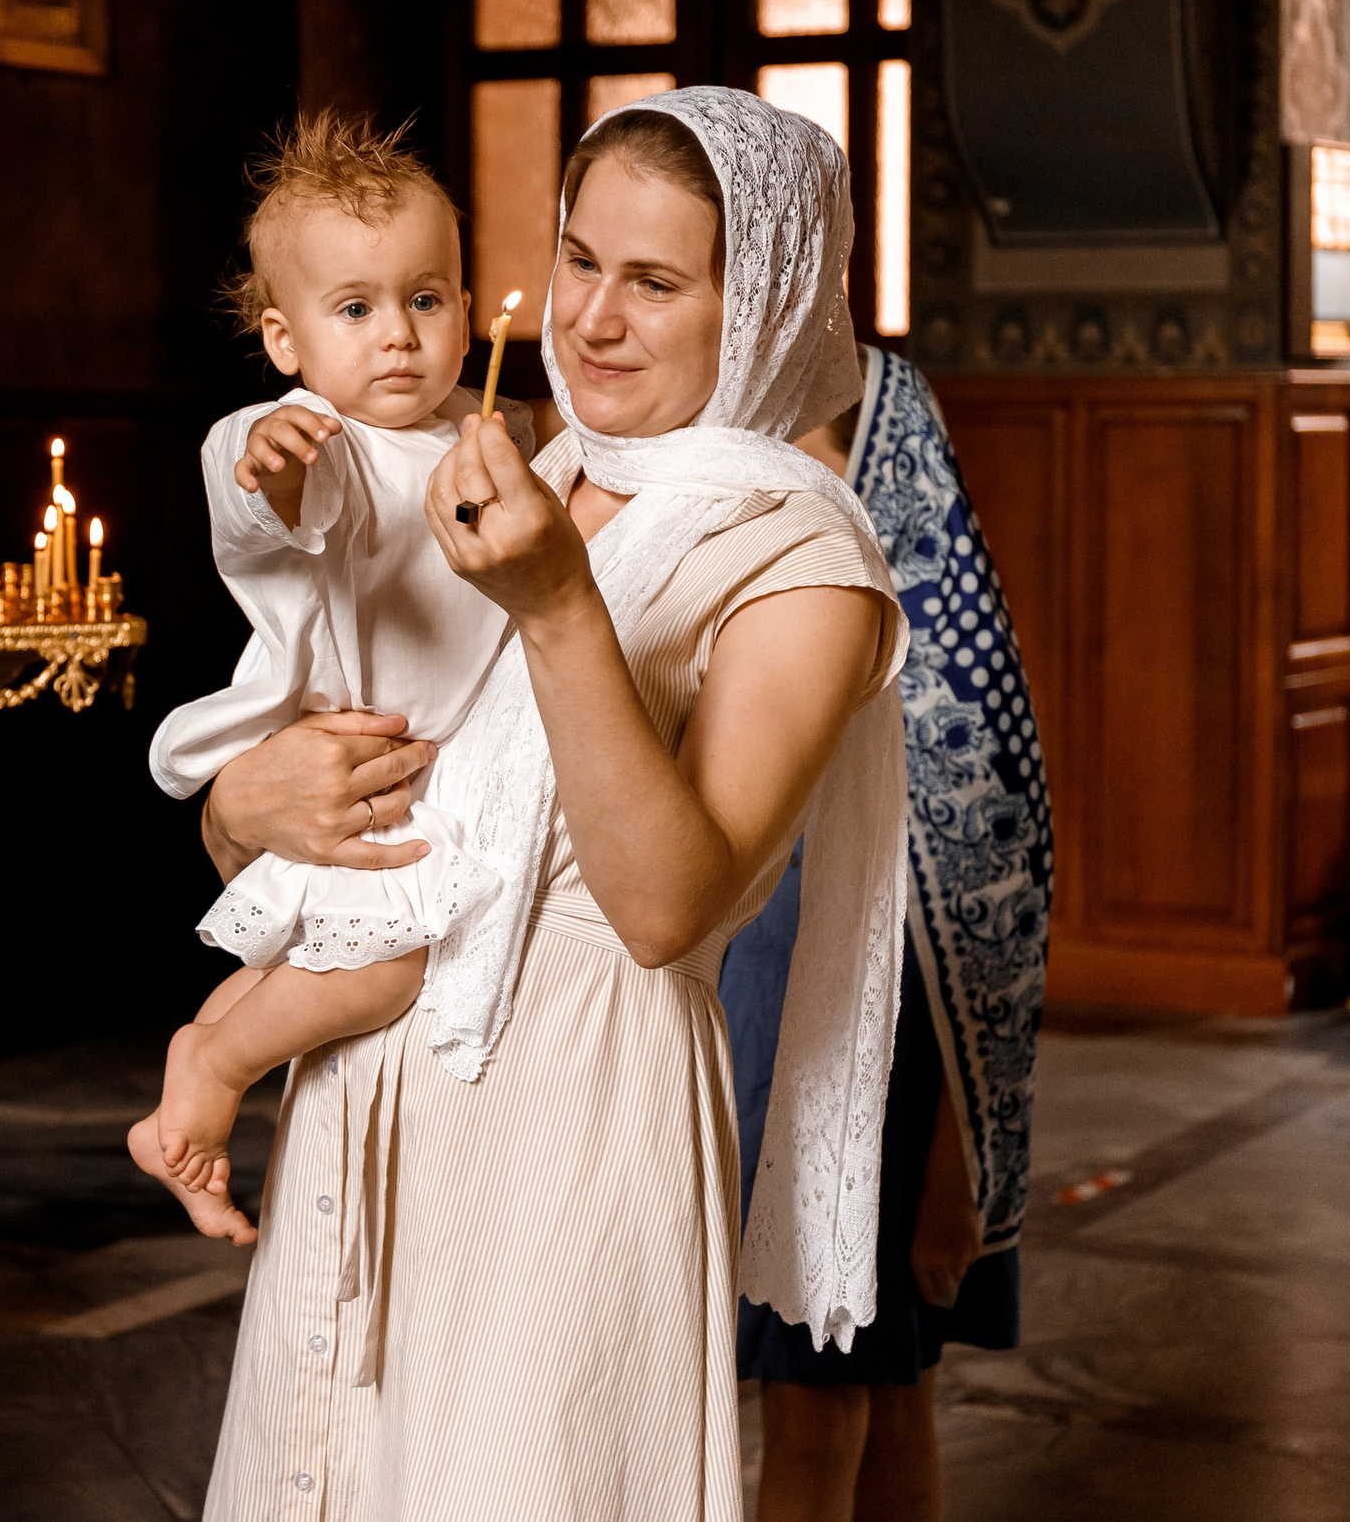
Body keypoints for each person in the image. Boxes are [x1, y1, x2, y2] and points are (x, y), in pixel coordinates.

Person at [195, 87, 911, 1520]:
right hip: (369, 1101)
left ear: (755, 302)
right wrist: (245, 799)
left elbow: (664, 906)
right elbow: (335, 789)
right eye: (580, 258)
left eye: (655, 282)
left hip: (576, 1126)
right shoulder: (521, 460)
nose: (593, 318)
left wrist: (559, 605)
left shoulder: (806, 563)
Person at [137, 113, 531, 1236]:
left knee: (308, 958)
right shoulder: (317, 438)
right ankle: (215, 1077)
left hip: (430, 762)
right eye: (354, 310)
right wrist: (273, 472)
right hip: (367, 753)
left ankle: (189, 1075)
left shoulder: (484, 429)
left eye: (426, 297)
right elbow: (278, 509)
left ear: (466, 306)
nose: (397, 336)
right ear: (283, 338)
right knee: (385, 971)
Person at [727, 346, 1053, 1522]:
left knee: (845, 1390)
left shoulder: (914, 645)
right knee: (860, 1387)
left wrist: (951, 1160)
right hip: (745, 1002)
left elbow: (987, 848)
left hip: (859, 1033)